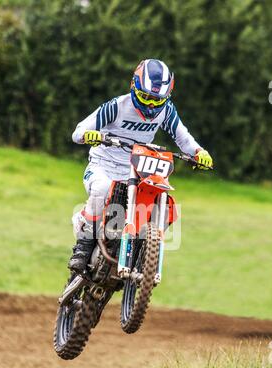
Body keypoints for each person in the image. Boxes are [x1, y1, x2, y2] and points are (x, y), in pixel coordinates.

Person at [70, 59, 213, 272]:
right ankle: (82, 247)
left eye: (157, 100)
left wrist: (200, 153)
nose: (151, 105)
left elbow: (184, 139)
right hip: (103, 165)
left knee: (160, 203)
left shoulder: (166, 112)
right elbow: (78, 132)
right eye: (145, 97)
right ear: (134, 87)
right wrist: (89, 135)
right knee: (101, 189)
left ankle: (141, 249)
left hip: (137, 170)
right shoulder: (117, 106)